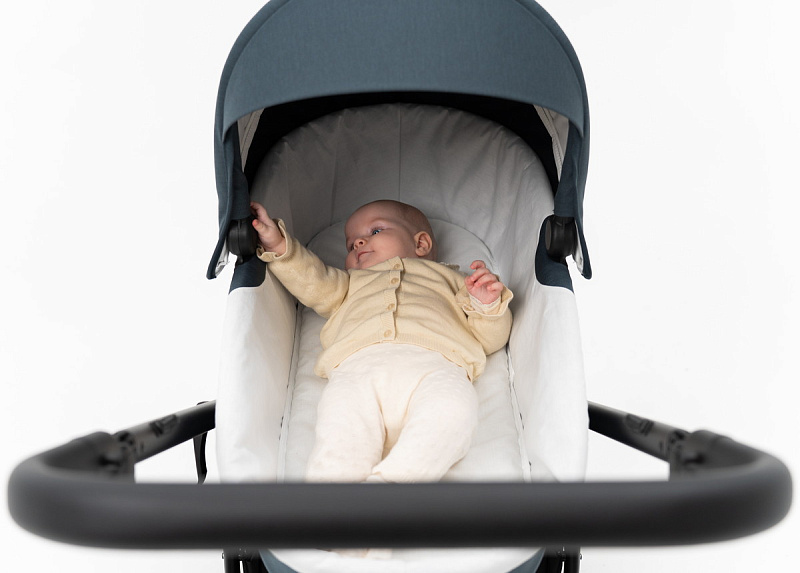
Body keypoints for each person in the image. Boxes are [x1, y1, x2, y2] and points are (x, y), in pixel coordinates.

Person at [251, 199, 513, 483]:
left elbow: (489, 339)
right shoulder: (349, 283)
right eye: (350, 245)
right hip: (357, 371)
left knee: (454, 412)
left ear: (421, 244)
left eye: (375, 231)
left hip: (437, 369)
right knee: (341, 433)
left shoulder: (456, 280)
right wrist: (279, 245)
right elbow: (311, 279)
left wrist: (487, 304)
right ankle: (332, 499)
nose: (358, 243)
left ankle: (394, 483)